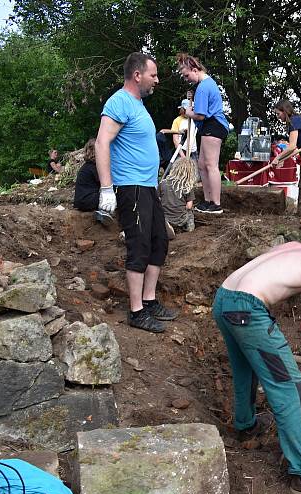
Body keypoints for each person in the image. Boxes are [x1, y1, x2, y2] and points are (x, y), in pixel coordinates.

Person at [213, 218, 301, 494]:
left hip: (223, 299)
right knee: (291, 388)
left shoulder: (291, 246)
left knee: (245, 368)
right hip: (247, 310)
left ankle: (246, 426)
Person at [94, 52, 178, 334]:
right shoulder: (119, 101)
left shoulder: (138, 105)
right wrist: (107, 189)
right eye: (153, 75)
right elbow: (102, 142)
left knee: (159, 241)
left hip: (147, 186)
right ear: (137, 75)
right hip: (130, 186)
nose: (157, 80)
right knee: (139, 245)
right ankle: (136, 311)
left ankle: (149, 300)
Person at [177, 53, 229, 215]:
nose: (186, 79)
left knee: (211, 164)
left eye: (187, 75)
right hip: (208, 126)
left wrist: (187, 112)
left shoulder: (204, 86)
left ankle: (216, 204)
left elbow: (200, 115)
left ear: (195, 69)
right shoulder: (204, 85)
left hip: (213, 124)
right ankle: (207, 201)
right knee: (201, 165)